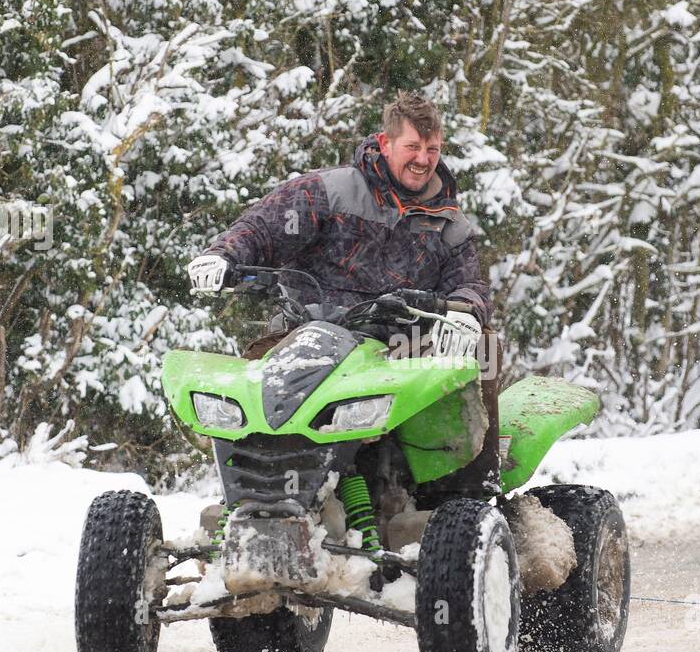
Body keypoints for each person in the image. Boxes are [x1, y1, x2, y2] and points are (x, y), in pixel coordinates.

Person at [186, 91, 501, 497]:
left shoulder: (449, 225)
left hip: (400, 344)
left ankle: (470, 495)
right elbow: (262, 228)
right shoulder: (327, 192)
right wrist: (222, 256)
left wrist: (467, 312)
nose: (423, 159)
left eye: (432, 149)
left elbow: (471, 285)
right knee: (242, 405)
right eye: (412, 147)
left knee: (484, 347)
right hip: (303, 332)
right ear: (385, 143)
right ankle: (247, 499)